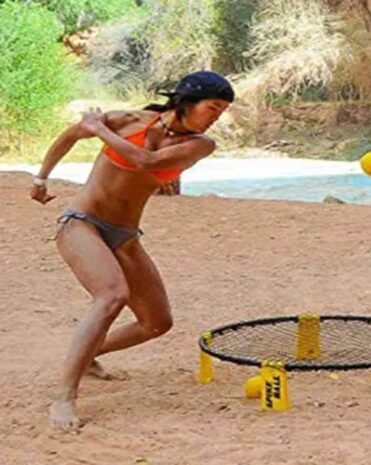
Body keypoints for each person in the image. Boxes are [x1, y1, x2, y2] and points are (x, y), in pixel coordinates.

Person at [29, 70, 235, 432]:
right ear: (187, 100)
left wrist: (99, 130)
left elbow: (147, 163)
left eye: (222, 110)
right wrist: (40, 178)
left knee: (157, 322)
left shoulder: (202, 144)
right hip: (82, 222)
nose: (217, 116)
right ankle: (64, 397)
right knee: (111, 296)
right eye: (213, 107)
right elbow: (72, 134)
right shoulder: (127, 120)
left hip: (124, 233)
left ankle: (90, 354)